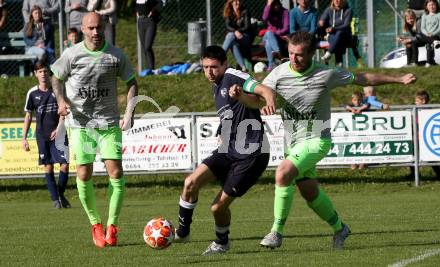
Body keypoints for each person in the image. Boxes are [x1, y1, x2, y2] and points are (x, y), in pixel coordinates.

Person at [245, 31, 416, 250]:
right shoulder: (278, 73)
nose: (294, 59)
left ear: (311, 54)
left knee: (282, 173)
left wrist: (399, 79)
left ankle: (276, 232)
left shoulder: (325, 73)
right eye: (290, 54)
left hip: (318, 139)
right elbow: (257, 98)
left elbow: (363, 78)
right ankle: (340, 228)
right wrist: (240, 95)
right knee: (309, 192)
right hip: (294, 144)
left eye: (299, 55)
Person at [173, 45, 276, 255]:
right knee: (190, 183)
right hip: (228, 149)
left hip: (252, 154)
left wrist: (270, 101)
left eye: (214, 67)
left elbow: (263, 92)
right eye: (205, 67)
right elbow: (237, 109)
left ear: (224, 64)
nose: (209, 71)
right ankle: (183, 232)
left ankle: (222, 242)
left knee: (217, 207)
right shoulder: (217, 86)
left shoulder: (232, 76)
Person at [50, 12, 138, 248]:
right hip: (81, 124)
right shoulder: (72, 54)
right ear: (83, 29)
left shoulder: (116, 55)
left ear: (105, 27)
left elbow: (131, 83)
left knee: (116, 173)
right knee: (83, 174)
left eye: (99, 27)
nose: (96, 32)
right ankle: (95, 224)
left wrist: (129, 113)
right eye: (91, 28)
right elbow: (56, 78)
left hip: (109, 123)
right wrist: (60, 101)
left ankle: (112, 225)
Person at [22, 61, 70, 209]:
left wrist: (59, 128)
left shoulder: (57, 90)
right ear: (36, 74)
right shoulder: (32, 93)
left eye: (45, 71)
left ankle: (59, 194)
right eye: (40, 71)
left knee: (65, 165)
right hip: (42, 136)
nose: (43, 74)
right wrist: (24, 138)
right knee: (48, 167)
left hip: (60, 134)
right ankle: (56, 200)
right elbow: (28, 116)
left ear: (49, 73)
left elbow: (64, 111)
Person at [408, 90, 440, 179]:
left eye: (417, 101)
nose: (415, 103)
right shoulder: (416, 111)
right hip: (416, 139)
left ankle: (438, 173)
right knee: (413, 155)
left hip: (425, 139)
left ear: (423, 101)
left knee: (430, 157)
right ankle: (414, 174)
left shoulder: (427, 112)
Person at [319, 0, 353, 66]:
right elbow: (322, 20)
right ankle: (339, 63)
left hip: (345, 36)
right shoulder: (329, 10)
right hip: (332, 35)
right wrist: (321, 22)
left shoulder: (348, 10)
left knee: (340, 33)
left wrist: (334, 29)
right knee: (337, 38)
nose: (337, 1)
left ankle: (329, 53)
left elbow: (346, 25)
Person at [222, 0, 253, 72]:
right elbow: (227, 26)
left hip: (245, 37)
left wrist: (237, 31)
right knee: (233, 43)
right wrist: (235, 31)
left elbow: (247, 26)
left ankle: (219, 56)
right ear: (231, 2)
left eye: (239, 1)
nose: (238, 2)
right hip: (235, 37)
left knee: (230, 35)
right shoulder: (229, 12)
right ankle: (243, 67)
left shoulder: (245, 11)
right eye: (235, 1)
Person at [262, 0, 289, 71]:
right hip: (269, 36)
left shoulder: (285, 12)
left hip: (279, 38)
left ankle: (271, 65)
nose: (276, 6)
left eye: (277, 4)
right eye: (274, 5)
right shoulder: (269, 11)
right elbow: (264, 18)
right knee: (269, 33)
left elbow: (286, 28)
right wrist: (268, 4)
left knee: (268, 42)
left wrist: (276, 33)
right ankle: (278, 53)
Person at [136, 0, 163, 70]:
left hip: (150, 21)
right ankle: (148, 69)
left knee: (147, 46)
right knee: (144, 48)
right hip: (140, 22)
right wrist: (137, 13)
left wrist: (152, 11)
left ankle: (151, 69)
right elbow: (136, 6)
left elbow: (160, 4)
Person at [345, 91, 369, 170]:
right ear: (352, 100)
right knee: (352, 145)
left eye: (359, 100)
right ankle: (353, 163)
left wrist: (360, 109)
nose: (357, 102)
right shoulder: (351, 106)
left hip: (363, 130)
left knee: (364, 145)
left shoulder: (362, 105)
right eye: (355, 100)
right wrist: (352, 109)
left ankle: (363, 163)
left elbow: (367, 105)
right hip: (352, 131)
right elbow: (345, 106)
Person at [419, 0, 440, 67]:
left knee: (429, 43)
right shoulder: (424, 15)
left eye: (433, 4)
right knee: (422, 37)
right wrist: (427, 33)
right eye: (430, 5)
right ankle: (430, 62)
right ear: (426, 7)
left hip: (436, 35)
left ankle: (429, 62)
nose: (432, 6)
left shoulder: (439, 15)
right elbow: (422, 28)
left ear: (436, 5)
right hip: (426, 35)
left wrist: (433, 34)